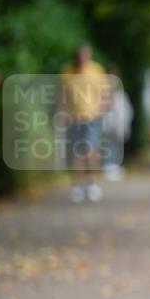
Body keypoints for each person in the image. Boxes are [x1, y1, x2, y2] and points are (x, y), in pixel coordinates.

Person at [60, 45, 110, 203]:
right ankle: (76, 186)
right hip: (74, 118)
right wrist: (63, 111)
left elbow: (104, 93)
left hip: (91, 117)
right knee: (76, 152)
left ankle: (91, 184)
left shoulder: (96, 70)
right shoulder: (67, 71)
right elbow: (60, 95)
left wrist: (99, 110)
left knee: (89, 150)